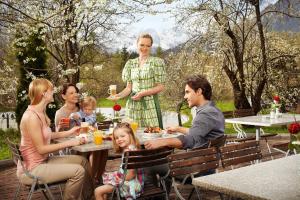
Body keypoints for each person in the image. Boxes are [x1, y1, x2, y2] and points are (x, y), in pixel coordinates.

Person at [144, 74, 225, 190]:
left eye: (187, 92)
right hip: (206, 165)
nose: (185, 96)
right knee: (163, 159)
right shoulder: (213, 110)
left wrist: (162, 141)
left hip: (196, 171)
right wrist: (178, 129)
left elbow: (191, 140)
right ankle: (162, 192)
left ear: (199, 91)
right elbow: (197, 133)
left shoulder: (206, 113)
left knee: (148, 165)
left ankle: (155, 196)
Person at [17, 78, 93, 200]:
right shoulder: (31, 117)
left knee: (83, 161)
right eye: (51, 90)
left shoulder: (40, 112)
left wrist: (70, 131)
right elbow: (41, 149)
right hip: (33, 169)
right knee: (78, 171)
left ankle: (90, 197)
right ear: (43, 93)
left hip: (43, 161)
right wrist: (71, 142)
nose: (53, 92)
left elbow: (49, 135)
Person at [108, 33, 166, 128]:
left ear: (151, 47)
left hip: (149, 103)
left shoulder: (156, 62)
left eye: (148, 45)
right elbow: (128, 88)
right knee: (132, 133)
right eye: (142, 45)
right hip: (133, 104)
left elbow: (160, 86)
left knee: (151, 132)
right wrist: (118, 96)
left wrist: (142, 93)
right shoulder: (131, 63)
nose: (144, 48)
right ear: (137, 44)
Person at [94, 123, 144, 200]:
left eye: (122, 136)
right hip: (134, 183)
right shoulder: (133, 148)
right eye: (116, 138)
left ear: (130, 135)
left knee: (98, 191)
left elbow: (131, 175)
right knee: (106, 182)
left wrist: (116, 178)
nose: (119, 139)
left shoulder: (130, 153)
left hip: (130, 187)